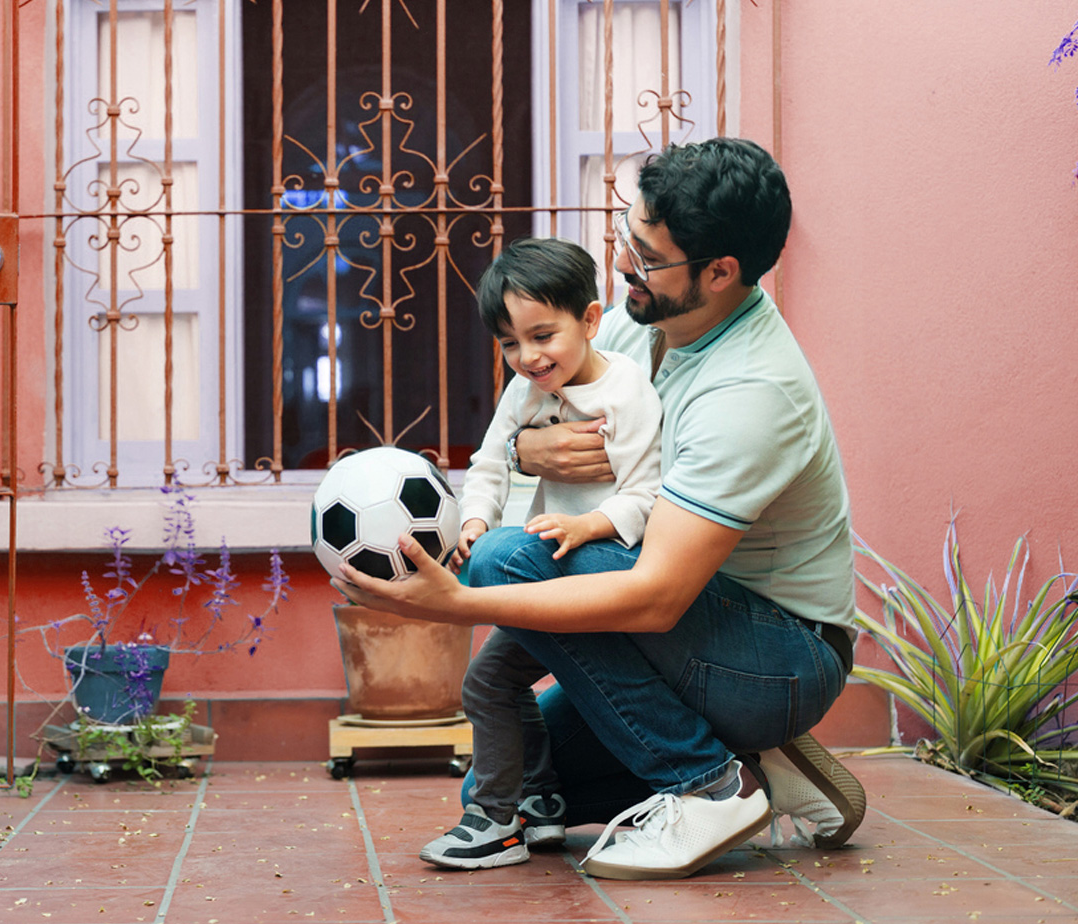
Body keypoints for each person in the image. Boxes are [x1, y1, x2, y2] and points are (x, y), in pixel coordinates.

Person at [335, 137, 866, 881]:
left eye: (647, 257)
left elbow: (654, 595)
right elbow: (528, 426)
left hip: (777, 654)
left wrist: (454, 602)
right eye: (626, 237)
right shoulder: (627, 326)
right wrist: (527, 451)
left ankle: (711, 785)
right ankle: (761, 765)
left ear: (720, 273)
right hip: (691, 637)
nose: (622, 266)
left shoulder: (751, 391)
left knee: (501, 558)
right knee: (520, 784)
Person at [420, 237, 663, 870]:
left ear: (589, 319)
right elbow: (488, 464)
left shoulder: (627, 392)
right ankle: (540, 803)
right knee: (495, 683)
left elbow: (649, 494)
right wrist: (475, 520)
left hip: (608, 575)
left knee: (493, 683)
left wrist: (589, 528)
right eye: (509, 343)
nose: (527, 357)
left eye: (542, 335)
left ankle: (498, 820)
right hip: (550, 568)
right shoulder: (526, 393)